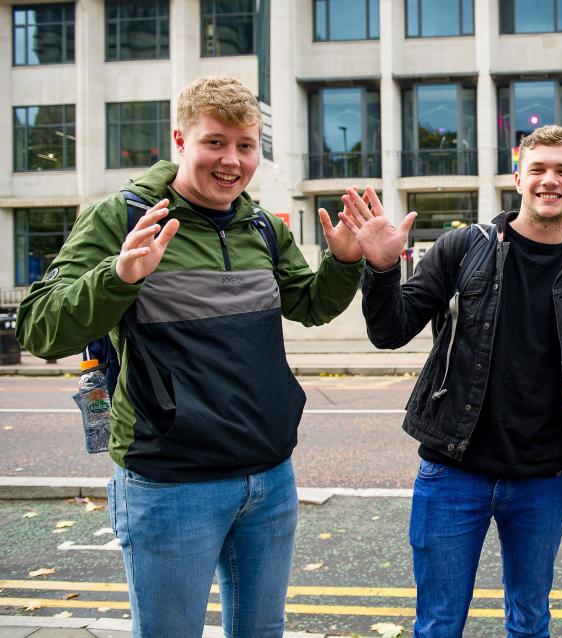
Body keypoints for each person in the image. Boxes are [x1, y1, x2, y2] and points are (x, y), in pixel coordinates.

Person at [16, 75, 364, 637]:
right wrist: (119, 276)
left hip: (268, 475)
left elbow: (309, 305)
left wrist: (345, 262)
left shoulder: (259, 225)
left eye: (245, 146)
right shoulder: (122, 216)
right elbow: (39, 329)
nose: (232, 161)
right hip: (171, 484)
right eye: (215, 143)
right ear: (180, 141)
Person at [333, 124, 562, 637]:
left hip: (541, 481)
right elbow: (390, 332)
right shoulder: (462, 247)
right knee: (438, 625)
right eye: (537, 169)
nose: (548, 180)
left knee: (530, 623)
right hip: (452, 474)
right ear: (518, 178)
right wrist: (380, 270)